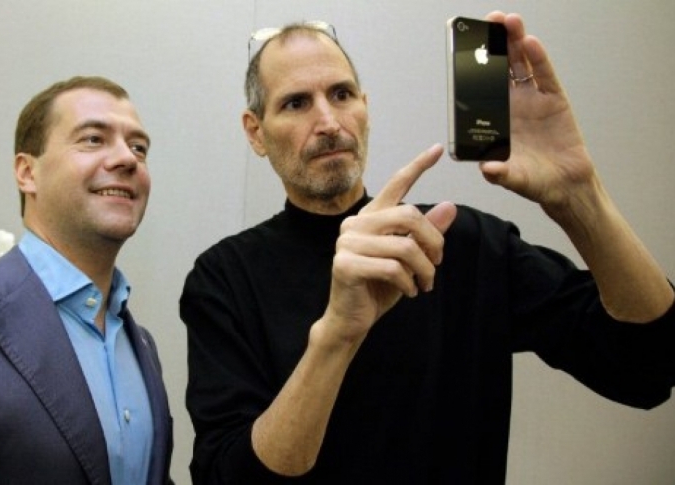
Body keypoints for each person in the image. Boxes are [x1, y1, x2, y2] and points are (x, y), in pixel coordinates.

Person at [180, 12, 675, 484]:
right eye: (296, 103)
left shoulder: (458, 240)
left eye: (341, 94)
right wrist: (336, 336)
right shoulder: (223, 278)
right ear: (256, 132)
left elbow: (647, 368)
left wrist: (580, 198)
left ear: (366, 108)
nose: (329, 120)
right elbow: (228, 476)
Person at [0, 76, 174, 485]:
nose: (127, 158)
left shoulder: (140, 343)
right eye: (94, 139)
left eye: (139, 147)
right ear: (27, 172)